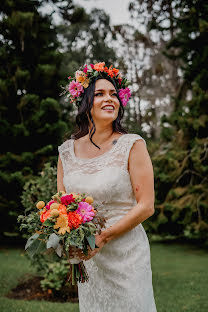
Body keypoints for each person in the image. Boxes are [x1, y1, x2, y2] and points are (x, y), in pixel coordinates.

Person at [57, 62, 157, 312]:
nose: (109, 99)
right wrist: (68, 239)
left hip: (127, 254)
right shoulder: (66, 152)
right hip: (89, 257)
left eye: (113, 94)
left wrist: (103, 237)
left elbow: (146, 206)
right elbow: (61, 206)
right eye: (99, 94)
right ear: (84, 102)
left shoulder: (132, 145)